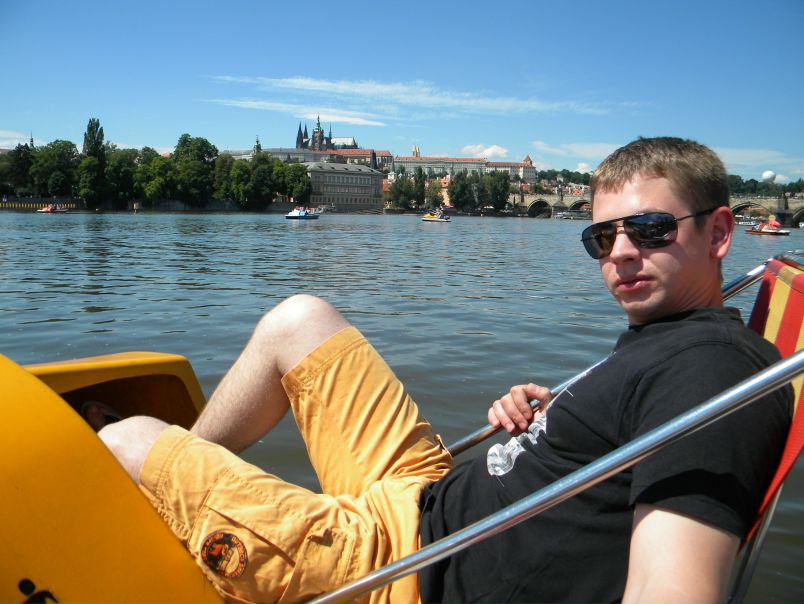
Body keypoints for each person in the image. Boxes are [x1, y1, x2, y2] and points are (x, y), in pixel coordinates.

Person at [99, 137, 792, 604]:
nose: (620, 253)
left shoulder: (710, 376)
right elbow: (618, 441)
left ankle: (167, 475)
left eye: (649, 229)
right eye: (601, 236)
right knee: (298, 319)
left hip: (405, 568)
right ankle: (184, 474)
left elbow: (670, 592)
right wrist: (550, 423)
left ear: (719, 232)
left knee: (124, 438)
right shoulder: (671, 339)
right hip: (427, 494)